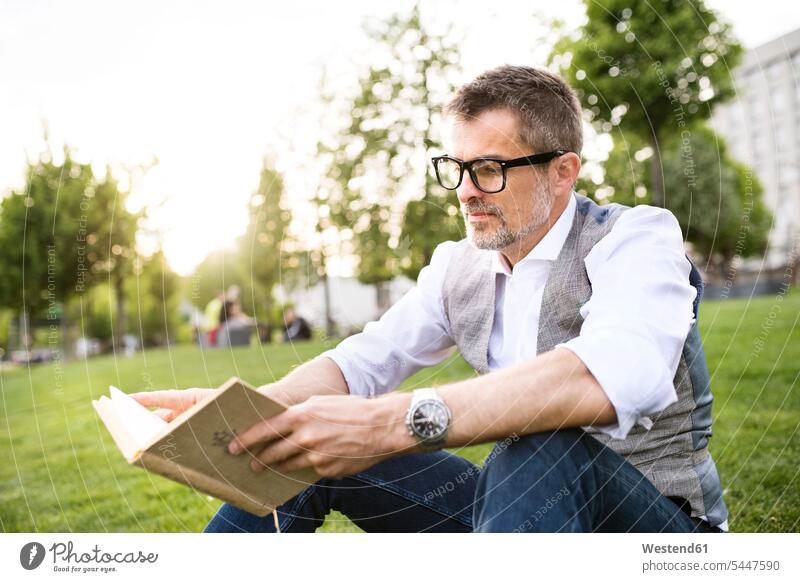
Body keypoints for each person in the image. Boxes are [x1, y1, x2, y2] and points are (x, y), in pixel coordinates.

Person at [132, 65, 727, 533]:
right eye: (456, 168)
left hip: (653, 528)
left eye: (490, 169)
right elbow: (364, 362)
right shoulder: (457, 267)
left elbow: (615, 375)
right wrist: (248, 410)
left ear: (563, 171)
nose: (466, 193)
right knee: (307, 437)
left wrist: (396, 421)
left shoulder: (635, 237)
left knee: (541, 444)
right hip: (517, 519)